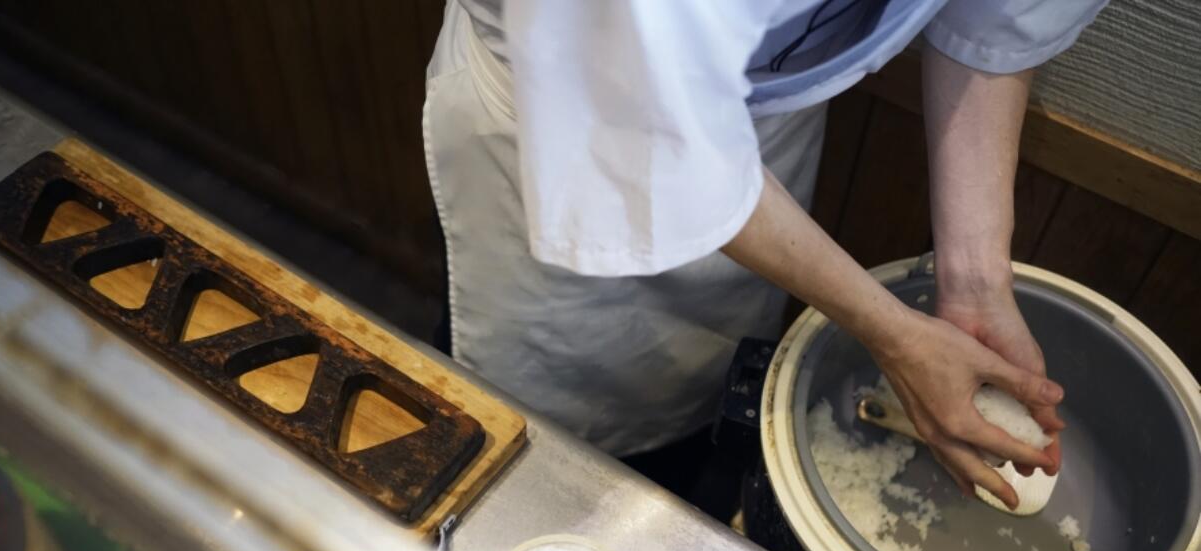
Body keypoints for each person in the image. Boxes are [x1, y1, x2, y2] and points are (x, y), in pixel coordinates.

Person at [423, 0, 1107, 510]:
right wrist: (892, 332)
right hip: (572, 122)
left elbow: (993, 20)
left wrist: (977, 280)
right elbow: (631, 95)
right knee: (542, 449)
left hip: (768, 110)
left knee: (703, 388)